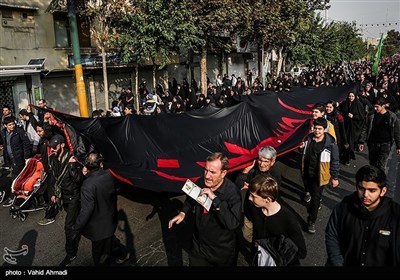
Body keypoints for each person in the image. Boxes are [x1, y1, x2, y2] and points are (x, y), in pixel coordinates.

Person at [168, 152, 242, 266]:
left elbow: (232, 223)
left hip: (221, 252)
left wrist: (215, 199)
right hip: (199, 247)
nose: (207, 176)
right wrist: (183, 212)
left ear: (223, 173)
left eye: (212, 172)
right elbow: (191, 198)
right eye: (206, 170)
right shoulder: (201, 181)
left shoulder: (232, 193)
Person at [325, 165, 400, 266]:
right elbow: (332, 235)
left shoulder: (395, 214)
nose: (365, 194)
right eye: (361, 188)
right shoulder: (344, 207)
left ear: (383, 191)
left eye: (372, 190)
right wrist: (337, 263)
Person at [71, 152, 129, 266]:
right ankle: (123, 254)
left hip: (98, 228)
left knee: (100, 257)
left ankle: (121, 255)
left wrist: (76, 227)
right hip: (110, 219)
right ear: (101, 164)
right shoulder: (109, 175)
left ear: (87, 166)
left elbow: (86, 210)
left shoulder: (88, 185)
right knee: (110, 241)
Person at [248, 174, 306, 266]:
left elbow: (301, 251)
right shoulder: (255, 209)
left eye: (253, 196)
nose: (249, 198)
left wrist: (279, 260)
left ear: (268, 199)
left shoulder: (288, 219)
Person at [47, 134, 84, 267]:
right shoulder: (52, 159)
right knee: (82, 222)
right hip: (63, 197)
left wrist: (72, 166)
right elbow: (53, 177)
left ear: (62, 145)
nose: (52, 150)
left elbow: (79, 179)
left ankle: (70, 253)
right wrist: (53, 193)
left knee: (68, 226)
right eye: (51, 147)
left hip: (74, 196)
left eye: (55, 147)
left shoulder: (72, 159)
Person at [235, 146, 282, 245]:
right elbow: (238, 185)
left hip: (263, 214)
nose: (262, 164)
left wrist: (255, 189)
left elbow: (274, 196)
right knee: (246, 235)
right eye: (260, 160)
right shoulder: (252, 169)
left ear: (272, 162)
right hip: (250, 211)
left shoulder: (275, 174)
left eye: (266, 161)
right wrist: (245, 172)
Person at [301, 117, 339, 233]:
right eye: (315, 128)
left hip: (320, 176)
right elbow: (303, 152)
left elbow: (335, 161)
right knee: (310, 193)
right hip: (307, 173)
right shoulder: (308, 138)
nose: (317, 131)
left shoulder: (330, 144)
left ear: (324, 130)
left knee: (315, 199)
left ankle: (311, 221)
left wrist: (335, 177)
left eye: (319, 129)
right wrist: (300, 148)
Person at [359, 97, 400, 173]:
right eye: (374, 106)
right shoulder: (371, 115)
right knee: (373, 164)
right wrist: (361, 141)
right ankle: (374, 180)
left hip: (385, 144)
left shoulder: (392, 116)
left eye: (377, 107)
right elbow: (365, 128)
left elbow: (396, 132)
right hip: (372, 143)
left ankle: (381, 182)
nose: (375, 108)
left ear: (383, 106)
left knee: (381, 165)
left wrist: (398, 146)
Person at [1, 116, 32, 207]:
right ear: (5, 125)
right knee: (16, 177)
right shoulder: (3, 133)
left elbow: (26, 144)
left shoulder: (19, 132)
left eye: (13, 124)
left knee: (16, 178)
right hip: (9, 158)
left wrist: (26, 157)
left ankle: (13, 196)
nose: (12, 126)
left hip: (19, 158)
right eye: (10, 125)